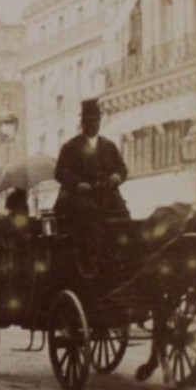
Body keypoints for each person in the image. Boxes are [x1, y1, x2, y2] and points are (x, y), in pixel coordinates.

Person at [55, 98, 129, 270]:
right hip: (78, 197)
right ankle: (93, 260)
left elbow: (122, 168)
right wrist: (77, 184)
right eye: (89, 121)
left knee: (122, 211)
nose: (93, 125)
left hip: (106, 193)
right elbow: (60, 173)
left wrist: (118, 176)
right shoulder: (70, 147)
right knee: (90, 212)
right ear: (82, 123)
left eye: (96, 121)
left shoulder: (108, 146)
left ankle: (123, 255)